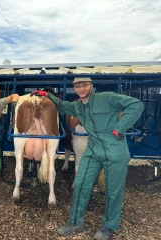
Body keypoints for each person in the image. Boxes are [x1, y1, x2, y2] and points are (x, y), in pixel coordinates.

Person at [31, 77, 144, 240]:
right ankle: (76, 222)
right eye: (78, 86)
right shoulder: (77, 106)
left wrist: (120, 128)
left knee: (113, 191)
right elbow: (62, 106)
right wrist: (47, 95)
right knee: (80, 183)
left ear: (91, 86)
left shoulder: (107, 97)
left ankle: (108, 226)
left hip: (115, 149)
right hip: (93, 148)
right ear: (75, 88)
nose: (81, 89)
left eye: (84, 85)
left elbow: (137, 105)